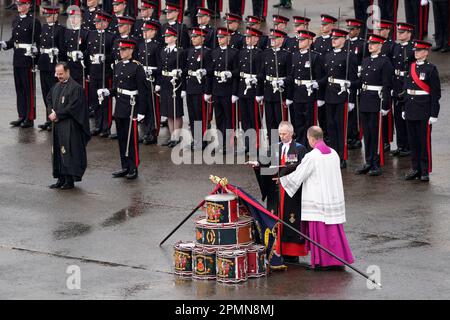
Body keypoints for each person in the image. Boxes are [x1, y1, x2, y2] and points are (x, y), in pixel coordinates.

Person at [280, 126, 354, 270]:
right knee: (334, 232)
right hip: (332, 198)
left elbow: (299, 175)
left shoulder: (312, 156)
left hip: (318, 201)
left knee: (321, 233)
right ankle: (337, 261)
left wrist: (282, 179)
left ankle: (323, 262)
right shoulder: (333, 153)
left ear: (312, 139)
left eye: (308, 139)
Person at [253, 121, 308, 264]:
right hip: (275, 191)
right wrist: (257, 164)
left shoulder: (300, 149)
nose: (282, 136)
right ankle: (275, 250)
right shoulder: (275, 148)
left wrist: (285, 171)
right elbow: (265, 162)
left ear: (291, 133)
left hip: (291, 192)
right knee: (274, 218)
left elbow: (302, 168)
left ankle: (292, 253)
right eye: (280, 134)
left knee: (291, 220)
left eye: (284, 134)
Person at [98, 39, 149, 180]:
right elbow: (116, 87)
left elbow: (143, 91)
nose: (121, 52)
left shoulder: (137, 67)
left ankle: (133, 167)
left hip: (132, 106)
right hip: (120, 105)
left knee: (131, 139)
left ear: (131, 50)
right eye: (120, 50)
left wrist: (142, 111)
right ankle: (124, 166)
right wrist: (108, 92)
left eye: (124, 50)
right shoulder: (118, 66)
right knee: (121, 138)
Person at [318, 28, 358, 169]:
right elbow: (325, 77)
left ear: (343, 40)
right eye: (332, 39)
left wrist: (352, 99)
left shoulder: (349, 56)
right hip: (329, 94)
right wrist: (321, 96)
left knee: (341, 128)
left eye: (336, 39)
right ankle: (332, 154)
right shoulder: (327, 56)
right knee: (331, 126)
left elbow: (354, 80)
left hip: (342, 95)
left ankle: (342, 156)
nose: (333, 41)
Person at [354, 33, 393, 176]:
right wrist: (351, 84)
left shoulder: (385, 62)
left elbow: (387, 86)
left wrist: (386, 106)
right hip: (364, 100)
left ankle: (376, 164)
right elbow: (362, 81)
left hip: (377, 101)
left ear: (380, 45)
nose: (370, 46)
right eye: (369, 43)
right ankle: (368, 161)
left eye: (373, 44)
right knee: (367, 134)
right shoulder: (365, 61)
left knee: (376, 133)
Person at [47, 62, 91, 190]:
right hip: (57, 125)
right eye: (57, 74)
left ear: (67, 72)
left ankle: (69, 180)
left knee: (67, 151)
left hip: (69, 126)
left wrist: (58, 114)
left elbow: (73, 107)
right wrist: (51, 112)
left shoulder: (76, 88)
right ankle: (60, 178)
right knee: (57, 151)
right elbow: (49, 100)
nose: (58, 76)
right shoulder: (56, 86)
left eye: (61, 74)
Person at [403, 40, 441, 182]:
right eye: (415, 50)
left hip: (424, 110)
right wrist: (403, 108)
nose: (416, 53)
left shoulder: (431, 69)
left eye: (419, 51)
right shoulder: (411, 67)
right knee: (413, 141)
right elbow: (406, 90)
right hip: (411, 109)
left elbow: (435, 94)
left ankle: (424, 170)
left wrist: (434, 113)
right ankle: (415, 168)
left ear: (426, 52)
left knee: (423, 142)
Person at [0, 0, 41, 129]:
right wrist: (5, 44)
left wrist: (36, 52)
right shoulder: (16, 20)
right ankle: (21, 115)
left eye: (22, 4)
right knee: (19, 88)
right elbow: (14, 40)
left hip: (28, 58)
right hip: (17, 58)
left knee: (28, 88)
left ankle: (29, 117)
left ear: (28, 6)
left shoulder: (34, 22)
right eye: (18, 4)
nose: (19, 6)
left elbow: (39, 42)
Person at [287, 29, 323, 147]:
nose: (300, 42)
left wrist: (318, 96)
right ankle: (300, 146)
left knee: (309, 122)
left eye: (303, 40)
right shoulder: (295, 55)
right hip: (297, 92)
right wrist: (289, 96)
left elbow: (319, 77)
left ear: (310, 41)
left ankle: (309, 146)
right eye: (299, 40)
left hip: (309, 93)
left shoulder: (315, 57)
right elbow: (292, 77)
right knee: (298, 122)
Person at [37, 5, 66, 132]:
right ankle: (49, 118)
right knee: (45, 93)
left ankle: (55, 118)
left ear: (55, 15)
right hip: (43, 63)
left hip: (53, 64)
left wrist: (58, 52)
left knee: (53, 93)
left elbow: (64, 50)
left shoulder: (60, 29)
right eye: (46, 15)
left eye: (49, 15)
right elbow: (40, 45)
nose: (47, 17)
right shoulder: (43, 27)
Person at [390, 22, 415, 157]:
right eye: (398, 32)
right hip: (397, 82)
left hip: (407, 82)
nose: (399, 35)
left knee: (407, 116)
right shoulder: (395, 47)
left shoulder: (412, 48)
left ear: (409, 34)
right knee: (398, 116)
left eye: (402, 32)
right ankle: (401, 145)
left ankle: (409, 146)